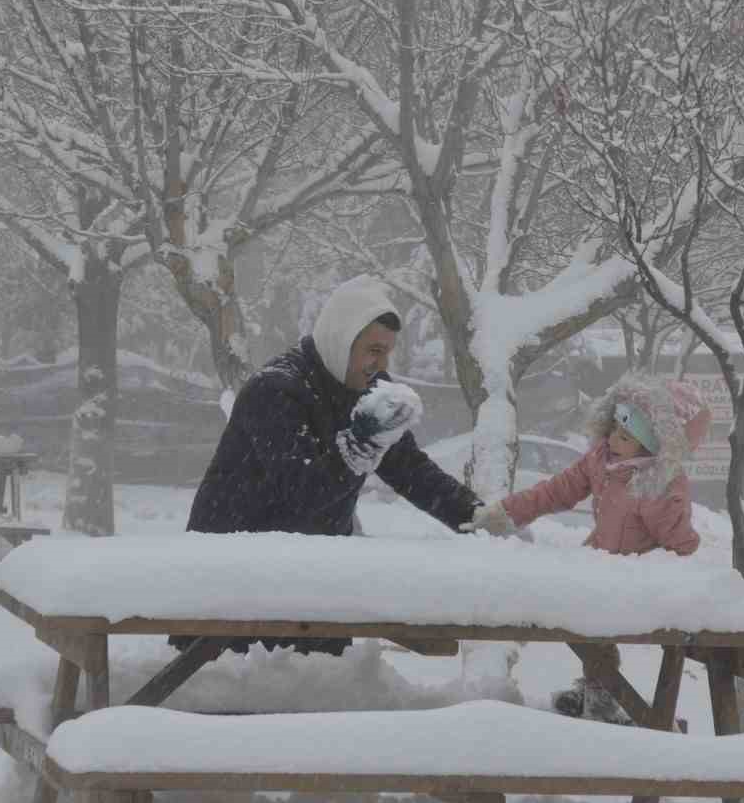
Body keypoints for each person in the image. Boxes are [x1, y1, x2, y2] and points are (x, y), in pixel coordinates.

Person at [178, 276, 484, 655]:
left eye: (387, 352)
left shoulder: (366, 389)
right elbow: (302, 492)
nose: (381, 364)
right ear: (341, 339)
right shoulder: (275, 391)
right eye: (373, 350)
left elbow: (408, 468)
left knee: (318, 695)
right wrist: (360, 444)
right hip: (235, 578)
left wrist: (474, 516)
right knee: (250, 696)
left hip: (314, 575)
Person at [463, 371, 711, 721]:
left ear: (651, 445)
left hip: (638, 579)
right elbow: (556, 491)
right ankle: (599, 689)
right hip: (600, 566)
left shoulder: (661, 482)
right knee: (584, 628)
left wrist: (661, 504)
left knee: (594, 629)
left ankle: (610, 698)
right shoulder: (600, 460)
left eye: (624, 436)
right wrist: (506, 513)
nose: (612, 439)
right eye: (612, 428)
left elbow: (680, 542)